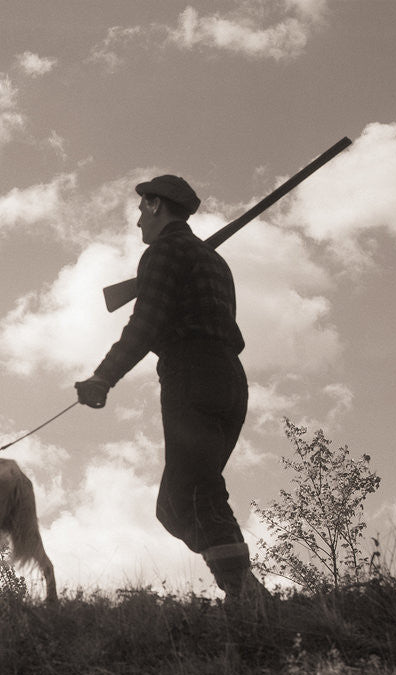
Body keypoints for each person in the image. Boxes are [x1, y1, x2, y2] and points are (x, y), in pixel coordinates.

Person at [75, 174, 271, 606]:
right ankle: (247, 593)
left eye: (140, 210)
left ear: (155, 206)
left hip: (191, 376)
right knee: (181, 500)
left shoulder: (164, 253)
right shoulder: (211, 260)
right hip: (229, 380)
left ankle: (249, 599)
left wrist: (103, 377)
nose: (137, 222)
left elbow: (145, 326)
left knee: (192, 496)